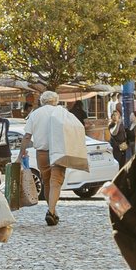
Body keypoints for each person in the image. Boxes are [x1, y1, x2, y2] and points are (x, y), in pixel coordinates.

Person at [23, 89, 91, 227]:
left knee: (47, 182)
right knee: (56, 182)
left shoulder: (35, 114)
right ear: (56, 101)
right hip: (59, 151)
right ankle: (51, 211)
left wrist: (21, 155)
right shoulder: (62, 113)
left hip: (41, 153)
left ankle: (52, 211)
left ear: (42, 101)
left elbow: (27, 136)